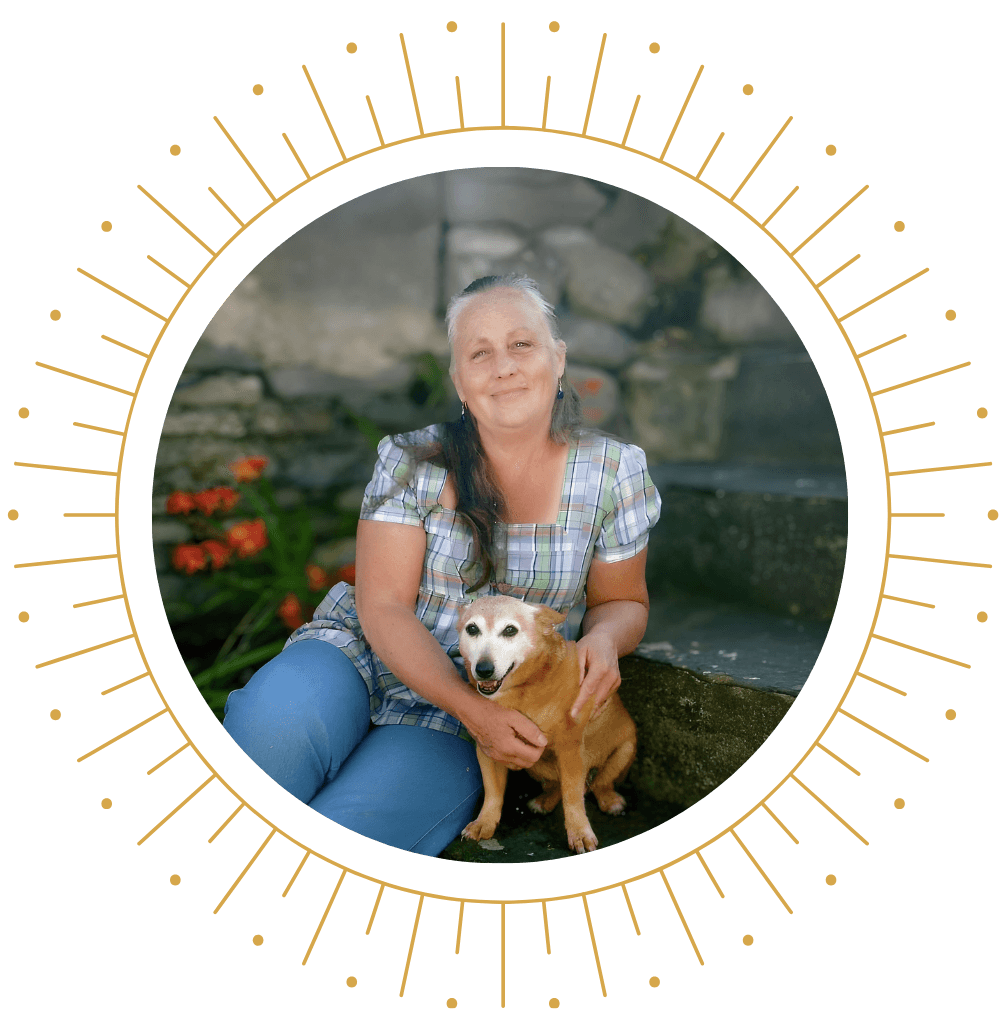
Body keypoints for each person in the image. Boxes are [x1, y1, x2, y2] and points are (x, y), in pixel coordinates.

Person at [223, 273, 662, 856]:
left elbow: (622, 602)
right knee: (267, 738)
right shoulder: (410, 460)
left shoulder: (614, 471)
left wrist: (605, 642)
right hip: (362, 657)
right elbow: (381, 606)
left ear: (558, 361)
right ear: (460, 380)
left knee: (348, 833)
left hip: (480, 712)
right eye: (480, 353)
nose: (503, 366)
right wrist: (468, 707)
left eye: (522, 344)